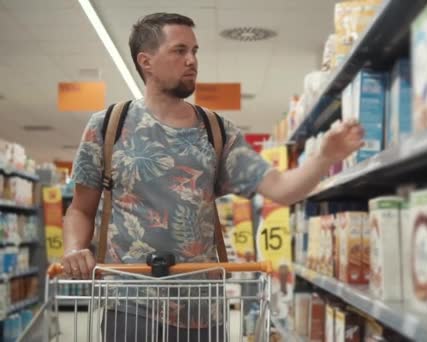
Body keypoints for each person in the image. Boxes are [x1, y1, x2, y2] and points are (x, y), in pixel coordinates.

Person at [61, 12, 363, 341]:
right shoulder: (108, 126)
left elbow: (283, 190)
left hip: (202, 309)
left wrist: (325, 157)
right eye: (179, 51)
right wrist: (74, 249)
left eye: (195, 51)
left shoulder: (216, 132)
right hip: (130, 306)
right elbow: (80, 210)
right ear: (146, 61)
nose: (192, 61)